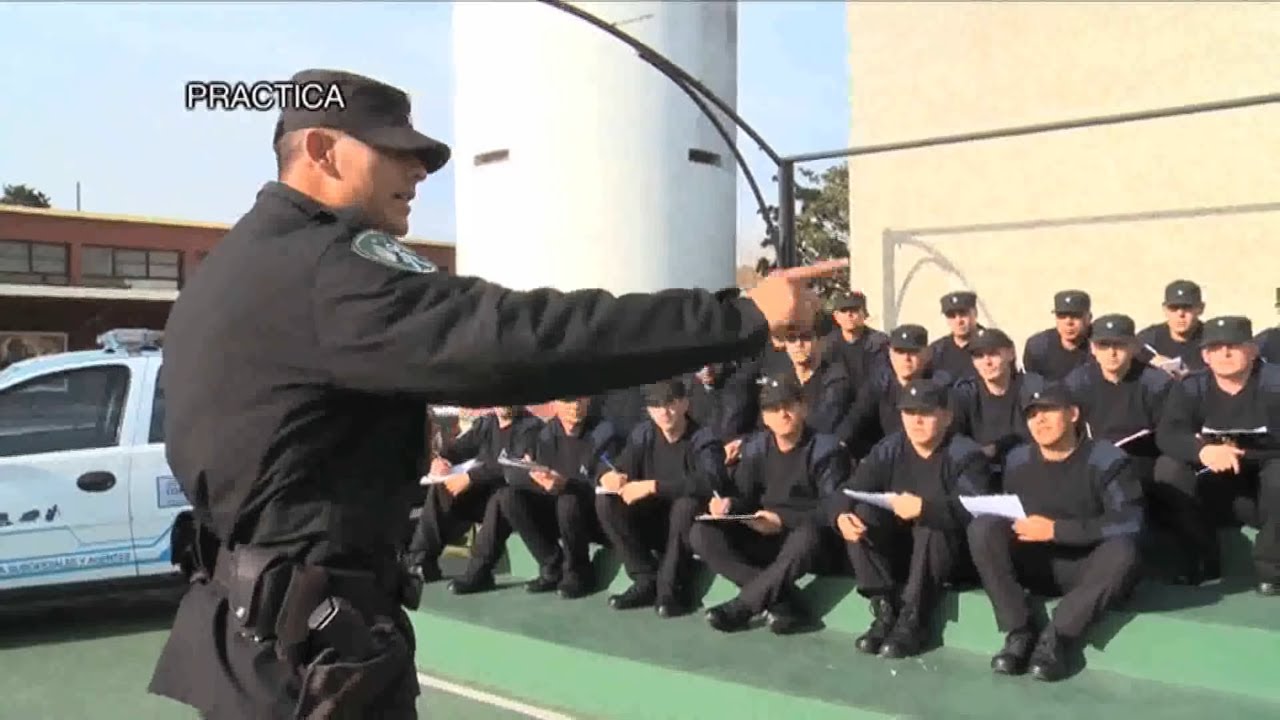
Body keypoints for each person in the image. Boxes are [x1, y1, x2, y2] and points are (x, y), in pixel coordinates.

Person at [149, 68, 836, 720]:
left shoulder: (230, 269)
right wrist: (740, 317)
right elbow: (520, 338)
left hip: (254, 634)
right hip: (313, 653)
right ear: (323, 151)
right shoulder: (328, 270)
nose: (418, 172)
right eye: (395, 153)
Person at [968, 383, 1143, 682]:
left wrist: (1056, 530)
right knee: (982, 527)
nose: (1040, 420)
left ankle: (1056, 638)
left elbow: (1129, 520)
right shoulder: (1018, 459)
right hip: (1035, 563)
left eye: (1049, 411)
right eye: (1032, 415)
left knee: (1123, 551)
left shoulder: (1106, 459)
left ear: (1073, 414)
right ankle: (1019, 631)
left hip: (1084, 568)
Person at [826, 378, 992, 658]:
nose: (916, 421)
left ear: (946, 416)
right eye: (909, 413)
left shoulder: (966, 454)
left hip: (950, 557)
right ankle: (885, 609)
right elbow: (850, 489)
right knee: (861, 513)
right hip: (904, 552)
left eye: (925, 413)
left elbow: (974, 509)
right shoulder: (890, 447)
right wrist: (840, 516)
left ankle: (914, 620)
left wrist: (925, 509)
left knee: (932, 522)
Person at [690, 375, 848, 634]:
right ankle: (783, 600)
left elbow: (833, 509)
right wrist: (728, 504)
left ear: (803, 407)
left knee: (807, 537)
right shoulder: (756, 447)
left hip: (809, 542)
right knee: (702, 532)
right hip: (764, 533)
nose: (782, 414)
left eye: (789, 405)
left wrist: (782, 520)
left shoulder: (826, 450)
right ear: (764, 417)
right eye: (774, 409)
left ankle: (743, 606)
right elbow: (743, 495)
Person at [1153, 316, 1280, 592]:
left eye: (1233, 346)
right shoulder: (1191, 387)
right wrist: (1205, 450)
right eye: (1215, 348)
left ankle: (1271, 571)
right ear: (1205, 356)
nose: (1224, 353)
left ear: (1252, 350)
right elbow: (1168, 434)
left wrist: (1246, 451)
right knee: (1168, 469)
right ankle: (1201, 560)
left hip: (1267, 470)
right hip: (1217, 477)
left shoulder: (1274, 384)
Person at [595, 379, 728, 617]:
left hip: (688, 526)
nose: (664, 412)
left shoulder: (703, 438)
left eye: (670, 403)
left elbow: (711, 481)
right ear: (648, 410)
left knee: (685, 506)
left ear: (685, 404)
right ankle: (644, 578)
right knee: (606, 501)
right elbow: (620, 467)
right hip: (651, 521)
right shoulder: (644, 433)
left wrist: (654, 486)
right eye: (656, 405)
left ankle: (671, 590)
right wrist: (609, 477)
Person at [402, 405, 543, 582]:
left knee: (500, 496)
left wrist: (470, 477)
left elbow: (513, 464)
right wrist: (442, 460)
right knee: (442, 488)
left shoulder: (531, 427)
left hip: (513, 504)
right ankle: (421, 561)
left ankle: (479, 572)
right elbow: (458, 448)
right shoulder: (487, 424)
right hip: (483, 497)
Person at [949, 327, 1044, 473]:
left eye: (993, 354)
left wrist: (997, 448)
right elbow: (954, 438)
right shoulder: (965, 393)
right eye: (979, 356)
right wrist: (979, 452)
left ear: (1011, 353)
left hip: (1028, 469)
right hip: (981, 469)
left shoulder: (1031, 387)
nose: (987, 362)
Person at [1022, 290, 1093, 382]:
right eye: (1062, 316)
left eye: (1076, 316)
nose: (1068, 322)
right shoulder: (1038, 347)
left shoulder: (1100, 345)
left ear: (1089, 318)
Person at [928, 291, 983, 381]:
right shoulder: (937, 351)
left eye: (963, 314)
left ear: (975, 313)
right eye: (952, 316)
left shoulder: (991, 346)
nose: (958, 321)